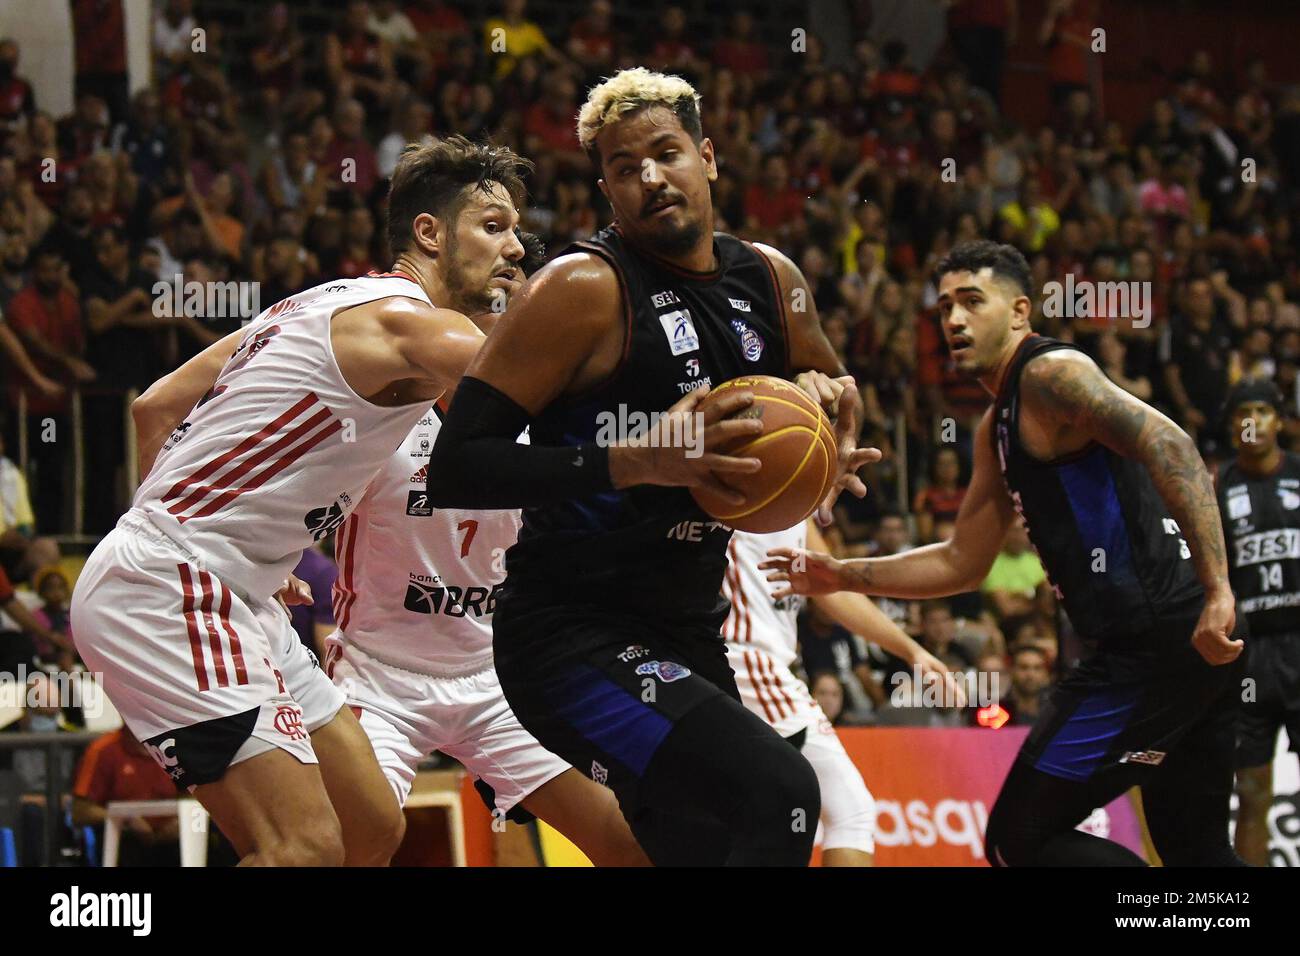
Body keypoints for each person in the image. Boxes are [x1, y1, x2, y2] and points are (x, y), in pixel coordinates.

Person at [427, 68, 877, 866]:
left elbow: (827, 387)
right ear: (606, 190)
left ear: (707, 157)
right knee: (779, 794)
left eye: (665, 154)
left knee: (699, 845)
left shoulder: (772, 280)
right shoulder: (580, 289)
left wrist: (828, 415)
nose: (649, 179)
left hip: (685, 626)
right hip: (568, 637)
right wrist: (630, 461)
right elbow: (457, 468)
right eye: (623, 169)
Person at [69, 137, 531, 866]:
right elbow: (540, 392)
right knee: (305, 847)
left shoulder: (317, 301)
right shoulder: (417, 324)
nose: (516, 248)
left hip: (230, 589)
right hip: (173, 588)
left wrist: (243, 538)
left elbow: (153, 408)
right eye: (494, 227)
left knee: (372, 827)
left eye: (517, 231)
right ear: (429, 233)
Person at [765, 239, 1247, 866]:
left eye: (972, 302)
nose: (954, 321)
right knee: (1199, 856)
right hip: (1185, 646)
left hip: (1152, 643)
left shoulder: (1052, 375)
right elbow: (963, 561)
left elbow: (1174, 445)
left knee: (1019, 842)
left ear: (1020, 311)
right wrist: (839, 573)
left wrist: (1218, 590)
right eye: (943, 309)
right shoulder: (997, 422)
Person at [326, 230, 646, 865]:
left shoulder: (541, 424)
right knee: (354, 845)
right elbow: (296, 501)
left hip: (498, 674)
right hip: (378, 676)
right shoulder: (382, 412)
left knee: (628, 842)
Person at [722, 518, 958, 865]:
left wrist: (912, 650)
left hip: (743, 662)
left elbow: (833, 589)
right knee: (851, 813)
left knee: (731, 816)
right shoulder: (761, 473)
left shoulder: (802, 502)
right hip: (747, 659)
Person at [1217, 379, 1300, 865]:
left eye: (1262, 411)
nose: (1252, 421)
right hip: (1249, 658)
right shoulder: (1216, 490)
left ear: (1280, 421)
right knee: (1251, 793)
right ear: (1230, 428)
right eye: (1242, 413)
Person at [72, 727, 181, 866]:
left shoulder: (178, 747)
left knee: (205, 833)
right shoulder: (103, 750)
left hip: (173, 838)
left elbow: (196, 797)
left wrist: (181, 821)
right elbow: (80, 811)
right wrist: (125, 819)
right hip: (125, 839)